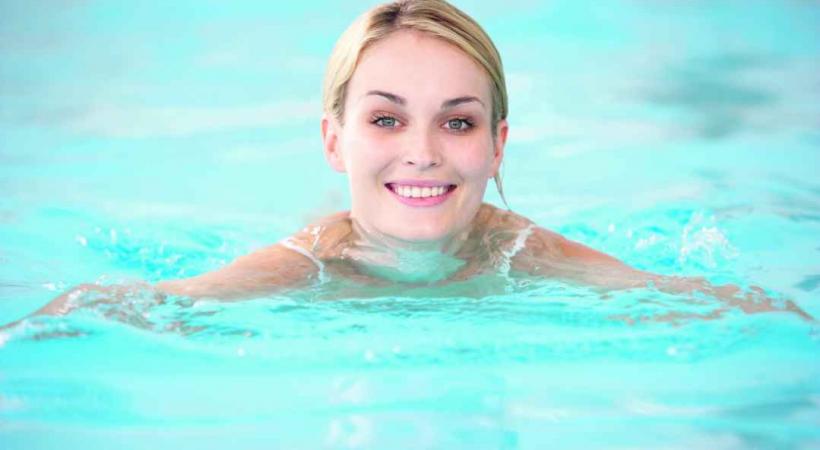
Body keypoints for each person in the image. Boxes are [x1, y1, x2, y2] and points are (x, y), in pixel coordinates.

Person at [32, 0, 810, 321]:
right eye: (385, 119)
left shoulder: (521, 251)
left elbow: (706, 304)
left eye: (458, 122)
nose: (423, 154)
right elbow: (135, 307)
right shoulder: (305, 268)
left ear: (498, 145)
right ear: (333, 140)